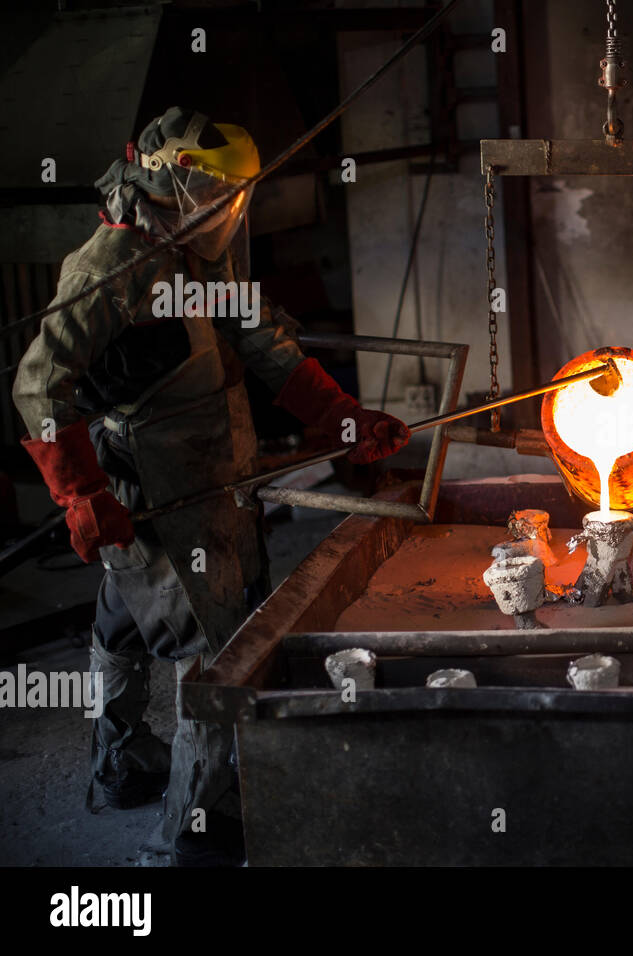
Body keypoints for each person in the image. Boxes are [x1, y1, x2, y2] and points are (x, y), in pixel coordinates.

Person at [13, 107, 410, 863]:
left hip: (212, 476)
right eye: (218, 193)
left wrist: (343, 418)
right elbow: (39, 385)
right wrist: (80, 493)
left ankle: (120, 765)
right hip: (158, 494)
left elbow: (262, 343)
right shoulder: (109, 270)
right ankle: (187, 839)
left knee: (119, 628)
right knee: (223, 656)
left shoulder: (201, 254)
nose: (230, 210)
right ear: (174, 183)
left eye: (237, 195)